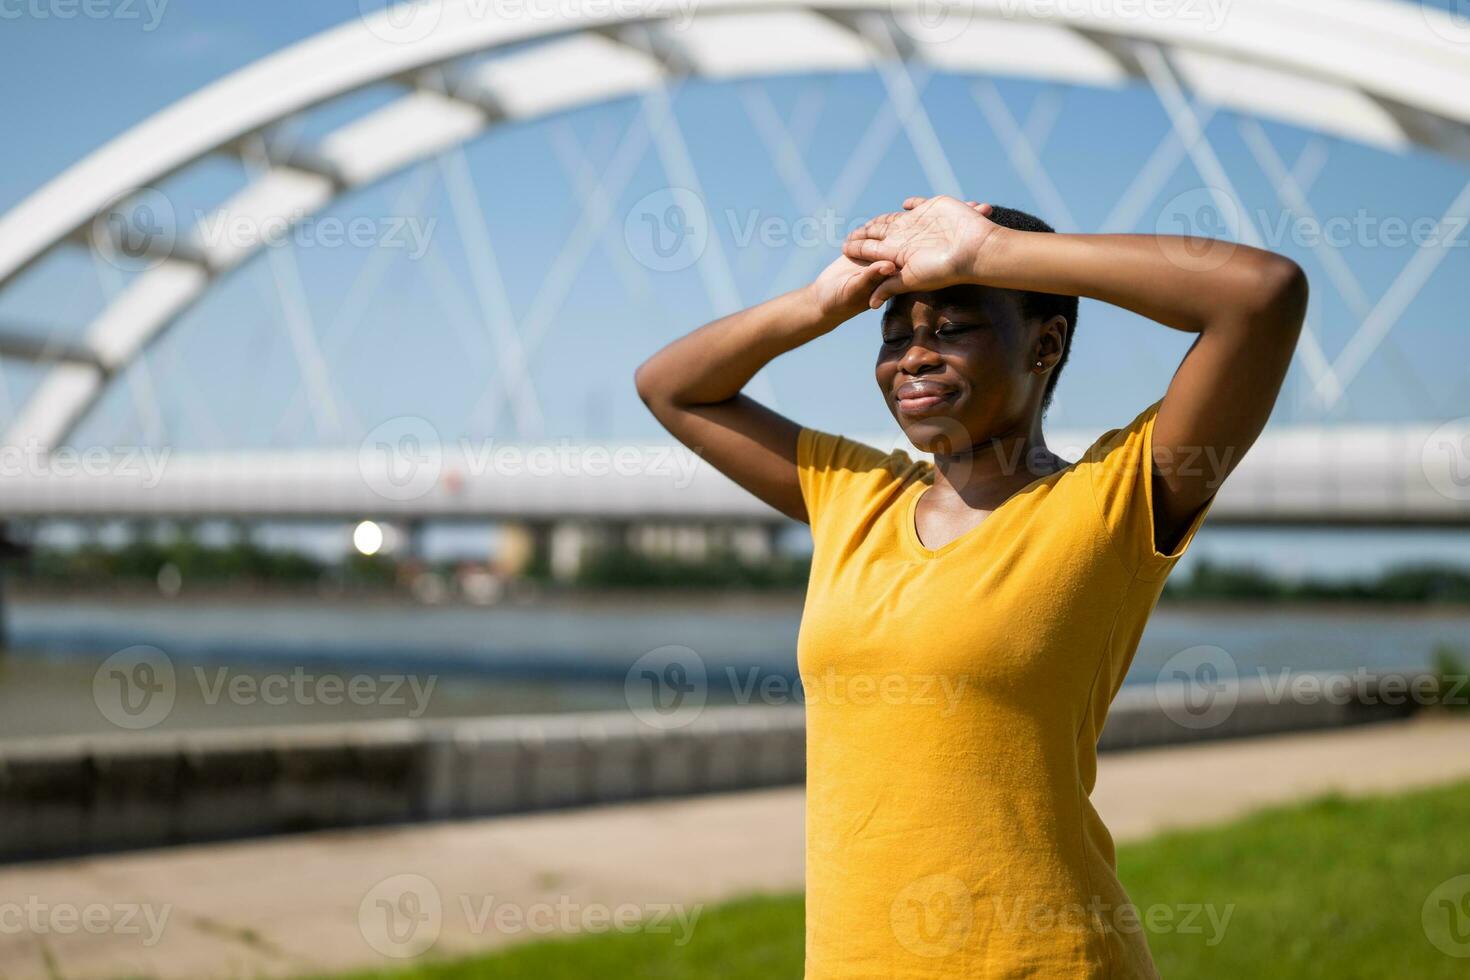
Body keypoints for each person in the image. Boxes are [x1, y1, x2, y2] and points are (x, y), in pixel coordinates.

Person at [634, 195, 1307, 978]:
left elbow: (1261, 296)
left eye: (952, 330)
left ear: (1045, 344)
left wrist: (987, 253)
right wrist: (821, 304)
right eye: (895, 338)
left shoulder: (1115, 499)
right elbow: (670, 387)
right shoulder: (854, 495)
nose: (913, 357)